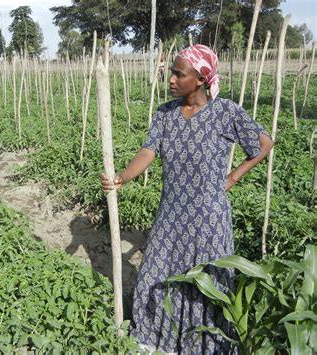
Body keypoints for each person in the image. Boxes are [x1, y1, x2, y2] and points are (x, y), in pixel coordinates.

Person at [100, 44, 274, 354]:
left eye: (178, 74)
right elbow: (148, 151)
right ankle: (158, 340)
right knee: (156, 274)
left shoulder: (225, 112)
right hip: (171, 213)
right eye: (171, 73)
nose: (170, 79)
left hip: (208, 218)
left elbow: (263, 143)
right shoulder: (166, 113)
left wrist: (232, 178)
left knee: (204, 286)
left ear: (200, 79)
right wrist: (123, 178)